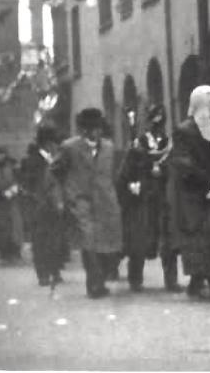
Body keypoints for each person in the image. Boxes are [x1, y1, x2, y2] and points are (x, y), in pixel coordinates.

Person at [168, 86, 210, 304]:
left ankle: (196, 281)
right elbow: (184, 164)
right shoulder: (185, 130)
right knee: (206, 237)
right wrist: (209, 183)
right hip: (193, 195)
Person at [58, 108, 124, 299]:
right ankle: (93, 284)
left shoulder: (109, 147)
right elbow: (57, 171)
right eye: (91, 129)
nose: (96, 132)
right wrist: (68, 192)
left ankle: (101, 279)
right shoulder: (69, 147)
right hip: (82, 201)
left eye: (98, 128)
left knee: (108, 244)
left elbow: (114, 173)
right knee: (89, 243)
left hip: (107, 202)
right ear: (83, 130)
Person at [118, 105, 177, 292]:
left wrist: (163, 170)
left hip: (162, 196)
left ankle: (171, 280)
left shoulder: (168, 143)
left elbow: (173, 167)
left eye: (161, 122)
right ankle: (135, 279)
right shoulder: (139, 143)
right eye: (154, 122)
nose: (157, 126)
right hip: (143, 197)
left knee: (168, 239)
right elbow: (127, 171)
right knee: (140, 238)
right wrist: (134, 182)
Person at [18, 124, 67, 286]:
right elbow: (26, 184)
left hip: (55, 205)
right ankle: (43, 273)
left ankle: (54, 270)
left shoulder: (57, 159)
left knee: (54, 240)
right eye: (53, 142)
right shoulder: (32, 161)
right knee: (40, 241)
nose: (55, 145)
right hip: (38, 206)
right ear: (46, 143)